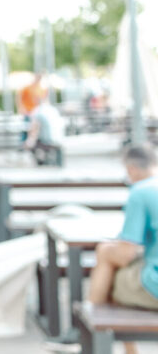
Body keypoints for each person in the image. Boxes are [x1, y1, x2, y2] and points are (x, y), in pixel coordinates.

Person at [87, 144, 158, 354]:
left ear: (131, 169)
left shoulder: (141, 192)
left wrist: (107, 249)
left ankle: (89, 329)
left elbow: (125, 254)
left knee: (108, 266)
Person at [24, 94, 66, 166]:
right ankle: (53, 162)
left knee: (31, 145)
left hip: (47, 141)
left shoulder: (38, 110)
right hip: (59, 139)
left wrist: (29, 141)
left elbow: (34, 128)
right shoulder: (54, 110)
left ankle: (41, 162)